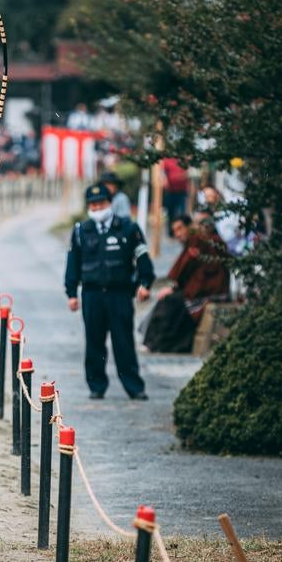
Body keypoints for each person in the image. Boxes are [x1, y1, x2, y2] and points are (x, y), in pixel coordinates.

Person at [65, 180, 154, 401]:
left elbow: (142, 258)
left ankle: (134, 387)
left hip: (120, 294)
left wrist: (145, 283)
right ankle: (97, 386)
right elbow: (72, 264)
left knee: (123, 342)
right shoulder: (81, 231)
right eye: (92, 205)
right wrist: (71, 294)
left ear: (110, 203)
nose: (97, 208)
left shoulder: (128, 228)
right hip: (92, 295)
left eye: (101, 203)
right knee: (94, 342)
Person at [142, 214, 230, 353]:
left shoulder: (208, 242)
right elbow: (186, 273)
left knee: (172, 302)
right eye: (175, 231)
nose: (178, 234)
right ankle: (154, 343)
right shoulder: (195, 242)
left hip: (208, 293)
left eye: (180, 229)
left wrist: (179, 290)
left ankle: (158, 344)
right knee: (167, 300)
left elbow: (207, 276)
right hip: (194, 290)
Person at [160, 157, 189, 236]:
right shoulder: (167, 160)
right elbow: (162, 171)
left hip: (182, 191)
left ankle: (183, 232)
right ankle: (171, 232)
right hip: (171, 191)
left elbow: (187, 171)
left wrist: (183, 176)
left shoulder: (183, 159)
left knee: (182, 213)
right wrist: (164, 179)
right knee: (170, 213)